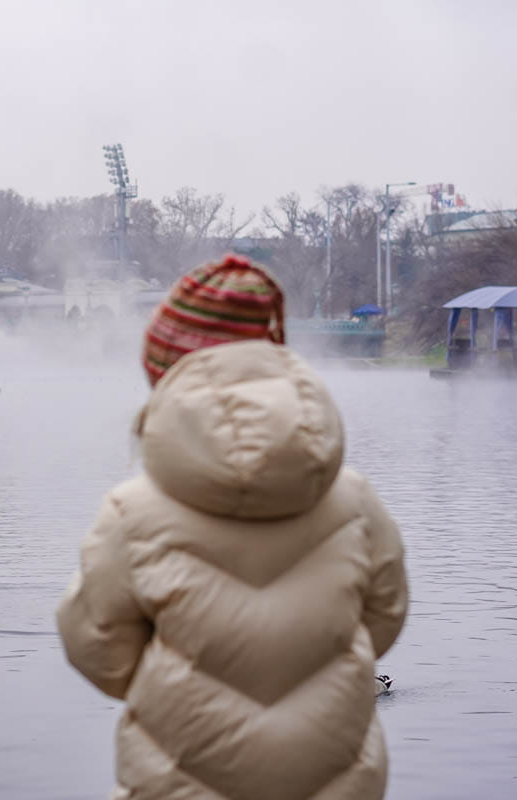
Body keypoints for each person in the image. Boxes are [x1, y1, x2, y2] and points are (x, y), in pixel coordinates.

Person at [57, 255, 407, 800]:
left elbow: (97, 650)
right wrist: (314, 660)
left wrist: (176, 680)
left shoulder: (131, 514)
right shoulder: (356, 502)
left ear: (163, 376)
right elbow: (385, 619)